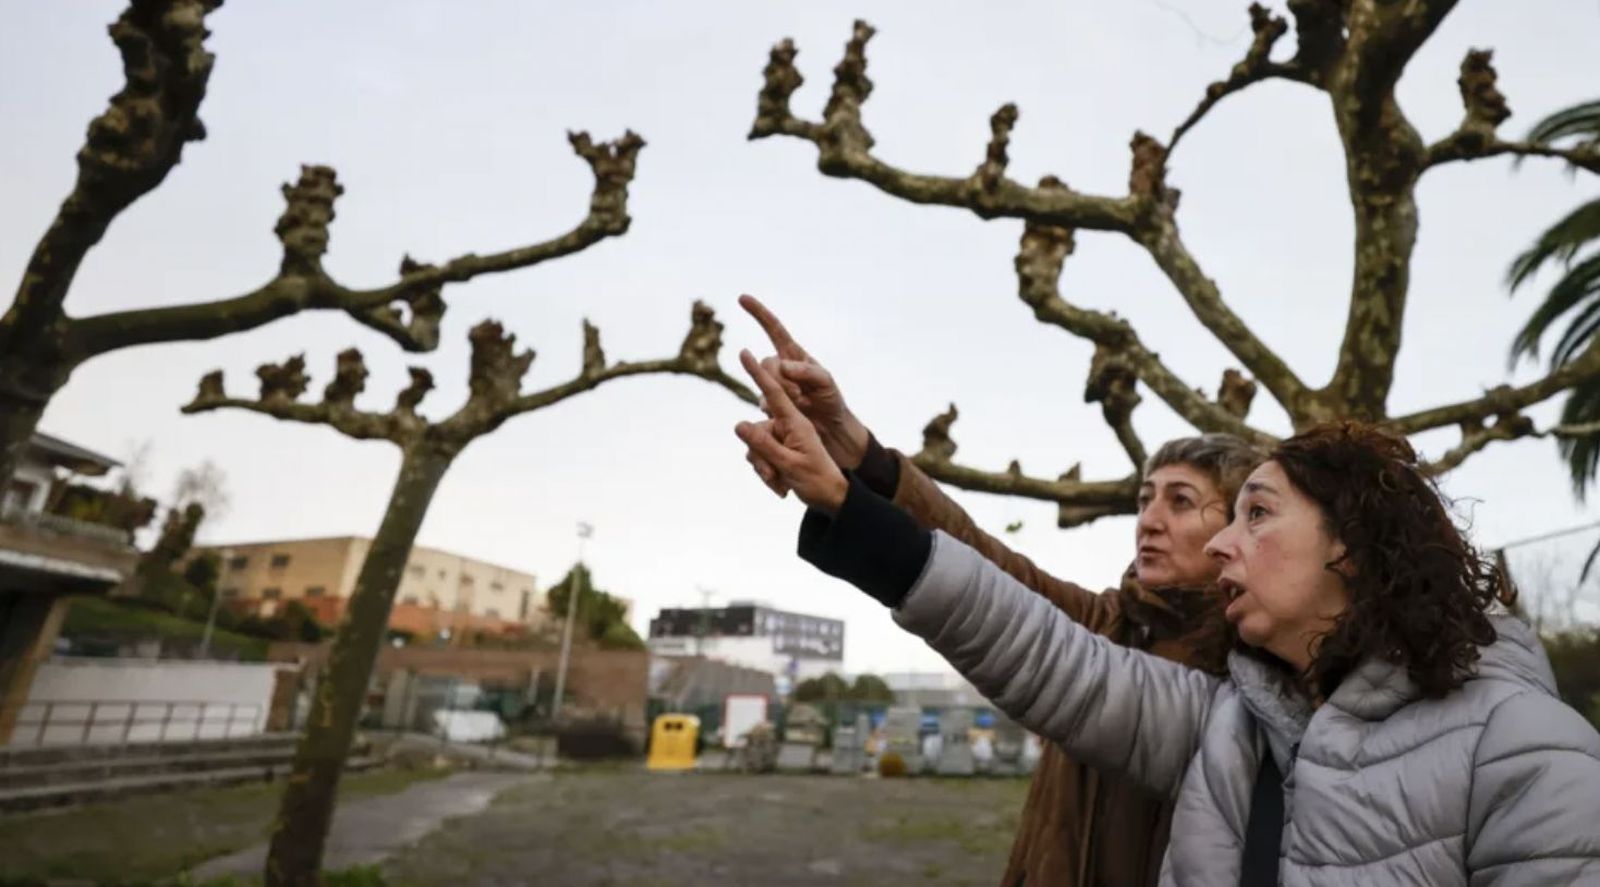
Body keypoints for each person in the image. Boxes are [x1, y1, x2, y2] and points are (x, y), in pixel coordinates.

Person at [734, 351, 1600, 884]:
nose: (1215, 541)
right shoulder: (1232, 720)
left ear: (1354, 544)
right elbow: (1015, 622)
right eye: (1145, 500)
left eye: (1247, 513)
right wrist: (858, 495)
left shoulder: (1522, 747)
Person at [737, 296, 1261, 886]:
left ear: (1240, 529)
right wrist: (860, 454)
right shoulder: (1108, 623)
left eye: (1181, 501)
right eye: (1145, 500)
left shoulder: (1256, 674)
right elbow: (983, 565)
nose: (1149, 519)